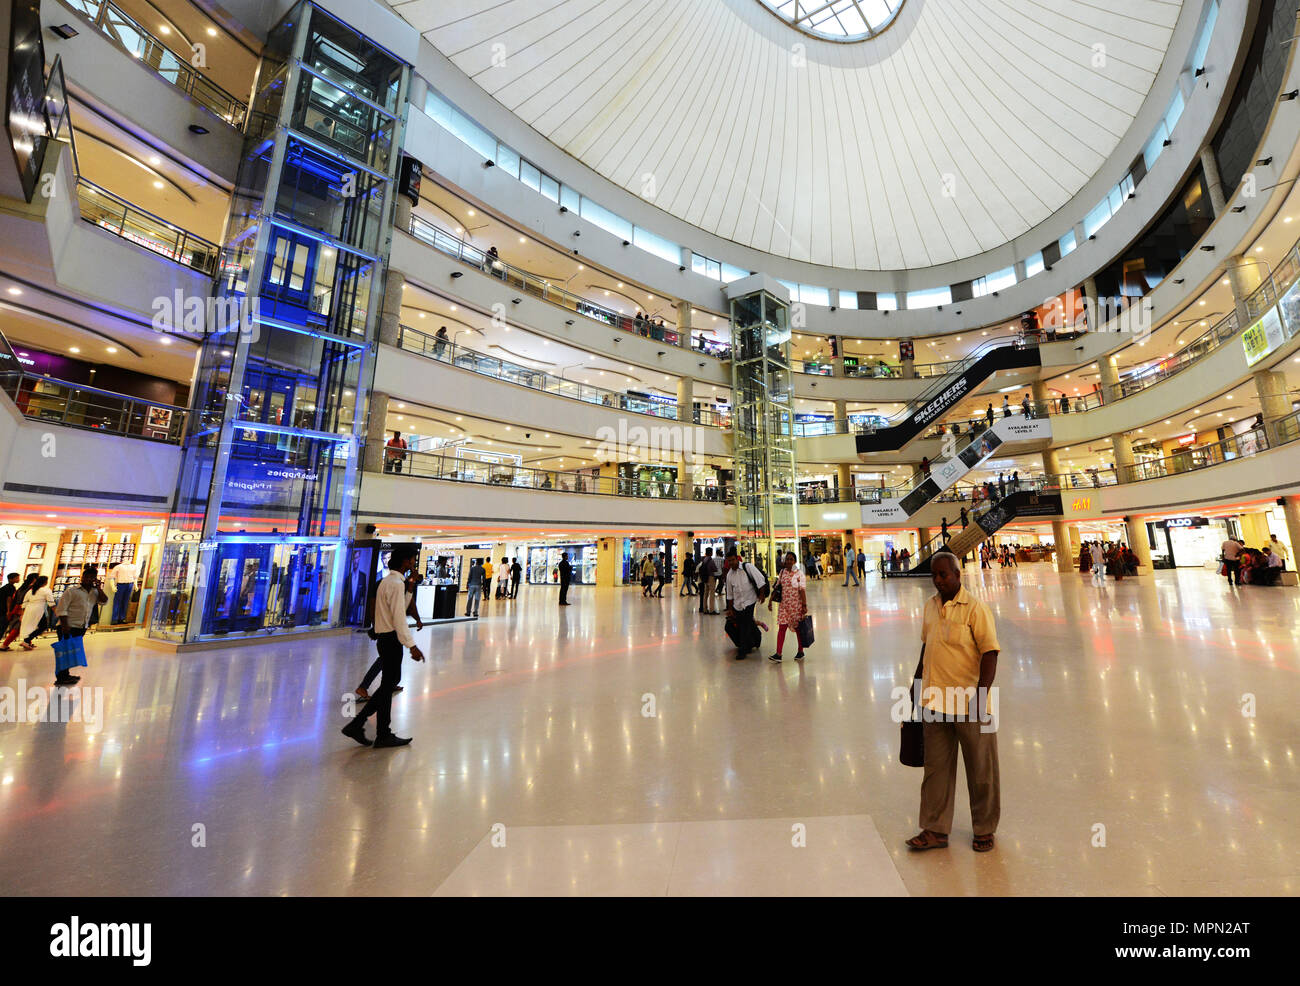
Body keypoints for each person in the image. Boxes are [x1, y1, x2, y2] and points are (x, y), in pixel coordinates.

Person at [905, 552, 1001, 854]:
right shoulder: (930, 607)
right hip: (935, 701)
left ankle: (984, 829)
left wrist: (982, 696)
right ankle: (935, 829)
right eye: (934, 575)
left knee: (981, 770)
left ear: (958, 575)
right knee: (935, 770)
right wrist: (917, 682)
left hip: (970, 701)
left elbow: (990, 652)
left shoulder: (976, 609)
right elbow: (927, 646)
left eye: (944, 575)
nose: (938, 580)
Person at [343, 546, 424, 748]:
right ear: (405, 562)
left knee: (388, 685)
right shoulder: (396, 584)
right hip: (391, 639)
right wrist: (411, 645)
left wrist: (411, 585)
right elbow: (398, 617)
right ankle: (369, 728)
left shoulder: (389, 582)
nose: (414, 564)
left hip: (384, 639)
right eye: (412, 560)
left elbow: (399, 608)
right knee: (388, 685)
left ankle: (373, 729)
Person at [53, 567, 107, 685]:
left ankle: (65, 675)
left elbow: (104, 601)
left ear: (94, 579)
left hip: (81, 626)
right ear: (82, 577)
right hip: (67, 626)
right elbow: (61, 609)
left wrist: (99, 588)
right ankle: (61, 678)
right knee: (64, 652)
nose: (88, 579)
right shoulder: (72, 591)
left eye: (91, 577)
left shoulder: (95, 592)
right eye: (86, 576)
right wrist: (65, 626)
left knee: (71, 652)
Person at [722, 550, 767, 660]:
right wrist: (730, 609)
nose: (731, 563)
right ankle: (755, 639)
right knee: (735, 625)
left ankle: (743, 649)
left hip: (749, 601)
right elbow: (730, 594)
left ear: (737, 558)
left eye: (733, 560)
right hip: (738, 604)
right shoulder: (729, 575)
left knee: (744, 624)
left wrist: (762, 595)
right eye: (729, 561)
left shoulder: (748, 567)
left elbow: (760, 580)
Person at [768, 552, 807, 663]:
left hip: (796, 605)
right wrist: (770, 601)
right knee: (782, 628)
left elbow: (802, 590)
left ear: (794, 561)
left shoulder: (799, 573)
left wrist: (804, 605)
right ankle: (778, 654)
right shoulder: (782, 572)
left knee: (798, 629)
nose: (789, 561)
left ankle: (800, 651)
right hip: (784, 605)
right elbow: (777, 588)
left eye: (791, 559)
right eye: (787, 559)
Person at [18, 575, 56, 656]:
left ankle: (27, 642)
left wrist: (23, 613)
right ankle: (27, 640)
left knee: (29, 625)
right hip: (39, 610)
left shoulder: (31, 591)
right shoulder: (46, 590)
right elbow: (51, 603)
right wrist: (57, 612)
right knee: (43, 626)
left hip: (29, 609)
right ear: (45, 582)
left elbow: (24, 603)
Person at [0, 573, 37, 651]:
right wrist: (8, 611)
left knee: (22, 627)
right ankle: (4, 645)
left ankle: (27, 642)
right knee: (17, 628)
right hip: (21, 609)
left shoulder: (21, 587)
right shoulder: (29, 588)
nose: (18, 579)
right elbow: (9, 599)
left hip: (17, 609)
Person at [107, 558, 138, 625]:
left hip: (130, 584)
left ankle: (122, 618)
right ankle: (114, 619)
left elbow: (135, 577)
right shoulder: (118, 567)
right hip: (121, 584)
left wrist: (135, 585)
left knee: (125, 602)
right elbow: (111, 577)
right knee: (117, 601)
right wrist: (113, 586)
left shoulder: (133, 567)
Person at [698, 548, 718, 614]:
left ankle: (705, 609)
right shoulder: (711, 560)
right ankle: (712, 610)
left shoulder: (704, 560)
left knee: (705, 594)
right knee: (712, 594)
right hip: (711, 577)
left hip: (705, 578)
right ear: (711, 552)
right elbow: (715, 569)